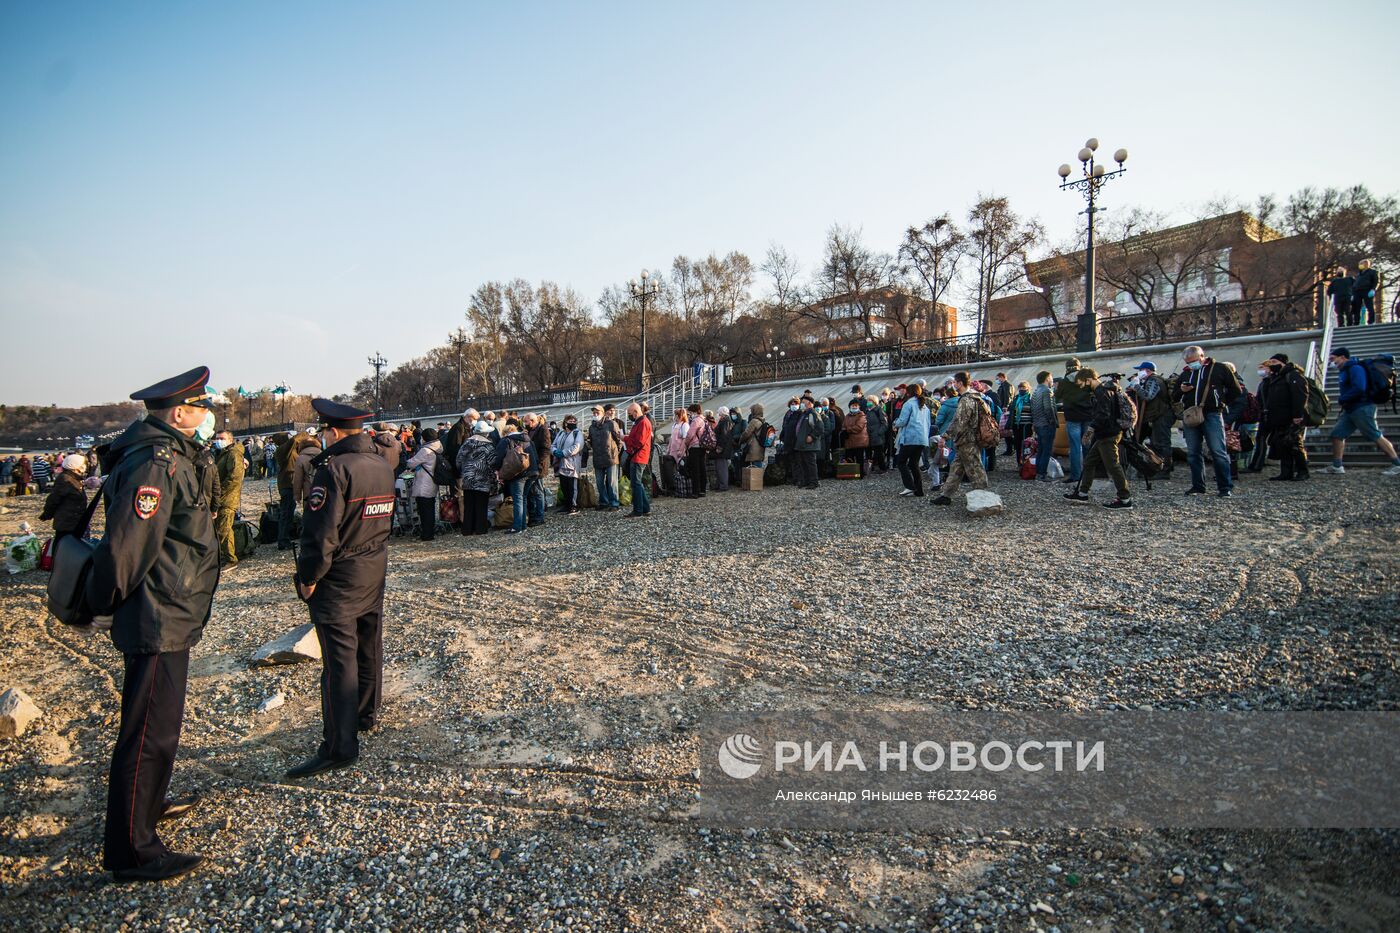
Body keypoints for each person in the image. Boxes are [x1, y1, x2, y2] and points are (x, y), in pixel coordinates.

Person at [86, 366, 220, 882]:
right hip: (157, 609)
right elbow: (126, 547)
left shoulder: (168, 455)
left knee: (160, 724)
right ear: (179, 412)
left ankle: (150, 805)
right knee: (148, 732)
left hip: (169, 607)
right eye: (202, 406)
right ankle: (132, 849)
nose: (208, 414)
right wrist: (102, 603)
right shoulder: (156, 464)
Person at [289, 399, 395, 780]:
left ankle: (339, 744)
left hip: (340, 575)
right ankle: (366, 714)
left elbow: (321, 535)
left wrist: (308, 577)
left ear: (332, 432)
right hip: (373, 566)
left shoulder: (334, 470)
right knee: (369, 644)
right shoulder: (381, 464)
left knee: (339, 661)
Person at [1174, 345, 1241, 497]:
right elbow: (1174, 396)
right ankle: (1198, 486)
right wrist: (1181, 391)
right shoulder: (1186, 374)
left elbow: (1236, 390)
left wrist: (1219, 403)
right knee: (1193, 453)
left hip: (1212, 414)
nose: (1191, 364)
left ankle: (1225, 487)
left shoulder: (1219, 369)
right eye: (1188, 362)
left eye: (1193, 361)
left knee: (1218, 451)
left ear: (1202, 356)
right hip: (1191, 415)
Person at [1063, 369, 1134, 509]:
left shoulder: (1101, 392)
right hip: (1104, 434)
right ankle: (1082, 493)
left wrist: (1090, 430)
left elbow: (1104, 415)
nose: (1082, 387)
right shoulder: (1104, 390)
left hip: (1108, 434)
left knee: (1113, 465)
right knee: (1089, 462)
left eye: (1082, 383)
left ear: (1088, 379)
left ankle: (1125, 499)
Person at [1325, 346, 1400, 475]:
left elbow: (1360, 388)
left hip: (1362, 407)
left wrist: (1343, 398)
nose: (1332, 362)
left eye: (1333, 358)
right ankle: (1337, 466)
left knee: (1374, 434)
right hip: (1351, 408)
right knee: (1337, 434)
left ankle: (1397, 464)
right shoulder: (1346, 370)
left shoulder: (1355, 368)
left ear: (1342, 357)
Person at [933, 373, 991, 506]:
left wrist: (945, 436)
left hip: (967, 439)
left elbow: (959, 421)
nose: (954, 385)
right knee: (956, 468)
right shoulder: (976, 397)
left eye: (955, 382)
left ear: (959, 383)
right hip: (967, 438)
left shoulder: (966, 399)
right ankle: (946, 495)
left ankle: (983, 496)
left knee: (975, 468)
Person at [1257, 355, 1309, 481]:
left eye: (1274, 361)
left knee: (1295, 444)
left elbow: (1300, 395)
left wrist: (1298, 415)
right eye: (1270, 362)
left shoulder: (1292, 375)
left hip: (1290, 417)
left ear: (1283, 363)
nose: (1272, 364)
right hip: (1278, 418)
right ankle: (1286, 472)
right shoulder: (1276, 378)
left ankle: (1302, 471)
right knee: (1283, 445)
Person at [494, 419, 545, 532]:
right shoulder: (528, 439)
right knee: (523, 498)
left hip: (518, 473)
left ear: (505, 432)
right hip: (532, 472)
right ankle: (523, 525)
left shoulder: (506, 440)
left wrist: (497, 470)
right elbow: (535, 456)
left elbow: (498, 458)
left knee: (518, 499)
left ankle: (517, 527)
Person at [1132, 362, 1174, 478]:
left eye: (1140, 370)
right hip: (1158, 415)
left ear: (1147, 370)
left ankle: (1164, 469)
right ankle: (1159, 467)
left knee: (1162, 443)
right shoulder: (1152, 380)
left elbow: (1148, 396)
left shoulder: (1154, 380)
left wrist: (1136, 386)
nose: (1138, 373)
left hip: (1162, 415)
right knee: (1157, 442)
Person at [456, 420, 497, 534]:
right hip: (482, 479)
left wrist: (464, 471)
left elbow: (458, 460)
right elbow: (493, 463)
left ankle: (467, 529)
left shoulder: (466, 444)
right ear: (486, 433)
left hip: (468, 478)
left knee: (469, 504)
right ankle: (480, 528)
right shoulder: (488, 447)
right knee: (481, 505)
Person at [1055, 358, 1092, 484]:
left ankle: (1076, 475)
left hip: (1072, 417)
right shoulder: (1086, 378)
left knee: (1075, 447)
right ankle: (1088, 474)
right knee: (1087, 446)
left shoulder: (1065, 381)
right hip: (1087, 416)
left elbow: (1058, 396)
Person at [211, 431, 246, 566]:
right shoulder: (223, 454)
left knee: (223, 529)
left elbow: (234, 478)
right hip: (222, 497)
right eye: (217, 438)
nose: (218, 441)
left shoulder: (233, 454)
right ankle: (224, 556)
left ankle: (230, 559)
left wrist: (219, 493)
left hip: (228, 498)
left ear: (230, 440)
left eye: (222, 438)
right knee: (222, 528)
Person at [41, 453, 89, 545]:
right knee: (65, 546)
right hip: (67, 523)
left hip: (74, 521)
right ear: (75, 466)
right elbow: (53, 500)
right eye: (82, 464)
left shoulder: (74, 478)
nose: (84, 466)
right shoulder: (65, 479)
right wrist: (47, 514)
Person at [893, 384, 932, 497]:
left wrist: (895, 423)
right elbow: (928, 423)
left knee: (901, 462)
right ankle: (919, 490)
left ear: (908, 393)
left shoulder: (908, 404)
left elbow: (903, 421)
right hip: (922, 438)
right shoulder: (925, 406)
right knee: (913, 464)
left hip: (910, 437)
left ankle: (909, 486)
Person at [406, 428, 443, 540]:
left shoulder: (426, 450)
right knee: (430, 508)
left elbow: (411, 463)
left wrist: (407, 461)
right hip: (432, 481)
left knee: (424, 510)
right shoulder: (438, 447)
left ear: (425, 438)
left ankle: (427, 534)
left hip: (424, 483)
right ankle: (429, 532)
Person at [586, 405, 623, 510]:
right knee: (599, 482)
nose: (595, 413)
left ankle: (614, 503)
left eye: (597, 411)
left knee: (612, 483)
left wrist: (615, 452)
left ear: (603, 412)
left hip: (611, 457)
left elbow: (619, 440)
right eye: (593, 412)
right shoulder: (591, 427)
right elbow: (590, 441)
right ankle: (604, 502)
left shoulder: (611, 424)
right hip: (598, 458)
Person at [623, 403, 653, 517]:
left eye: (630, 414)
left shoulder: (643, 423)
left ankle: (638, 509)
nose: (629, 416)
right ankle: (645, 508)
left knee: (636, 484)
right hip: (639, 456)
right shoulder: (640, 422)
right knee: (637, 483)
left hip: (639, 456)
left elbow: (639, 442)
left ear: (636, 412)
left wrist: (625, 438)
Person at [552, 415, 584, 516]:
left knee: (572, 485)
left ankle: (573, 506)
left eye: (574, 421)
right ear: (565, 422)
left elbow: (577, 446)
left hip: (572, 462)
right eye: (570, 421)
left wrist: (564, 453)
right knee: (564, 484)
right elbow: (553, 445)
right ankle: (566, 504)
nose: (572, 422)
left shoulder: (577, 433)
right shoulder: (561, 433)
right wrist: (555, 451)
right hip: (561, 463)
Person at [1030, 370, 1058, 482]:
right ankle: (1042, 474)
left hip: (1038, 424)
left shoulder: (1036, 391)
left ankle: (1038, 472)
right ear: (1047, 379)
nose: (1052, 380)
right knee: (1046, 450)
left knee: (1040, 449)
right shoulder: (1047, 391)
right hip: (1046, 424)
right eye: (1051, 377)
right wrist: (1053, 422)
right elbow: (1048, 408)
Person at [792, 397, 823, 489]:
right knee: (803, 463)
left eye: (803, 402)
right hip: (802, 444)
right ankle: (805, 481)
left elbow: (820, 428)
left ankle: (814, 482)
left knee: (810, 463)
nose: (801, 404)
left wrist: (812, 436)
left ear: (809, 403)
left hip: (810, 444)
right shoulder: (804, 414)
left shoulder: (813, 413)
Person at [683, 403, 710, 498]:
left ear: (693, 411)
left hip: (695, 446)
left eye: (690, 412)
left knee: (695, 470)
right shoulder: (704, 419)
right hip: (703, 446)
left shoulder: (696, 420)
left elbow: (690, 434)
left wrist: (685, 443)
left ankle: (695, 491)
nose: (689, 414)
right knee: (702, 468)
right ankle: (703, 490)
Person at [1008, 381, 1033, 465]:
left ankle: (1027, 462)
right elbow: (1012, 412)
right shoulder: (1016, 399)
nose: (1022, 390)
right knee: (1018, 444)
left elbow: (1033, 412)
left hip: (1027, 425)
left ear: (1028, 388)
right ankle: (1019, 462)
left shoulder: (1030, 399)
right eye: (1020, 388)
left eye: (1024, 388)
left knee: (1027, 444)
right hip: (1017, 425)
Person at [841, 399, 869, 477]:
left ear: (859, 407)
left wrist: (847, 430)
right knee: (849, 458)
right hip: (849, 441)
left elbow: (859, 427)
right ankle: (851, 473)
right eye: (852, 406)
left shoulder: (861, 415)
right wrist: (844, 430)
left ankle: (860, 473)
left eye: (856, 406)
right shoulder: (847, 416)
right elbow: (843, 425)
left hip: (859, 441)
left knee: (859, 458)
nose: (854, 407)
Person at [863, 396, 888, 473]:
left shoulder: (879, 410)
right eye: (868, 401)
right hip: (869, 435)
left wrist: (879, 432)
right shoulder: (867, 411)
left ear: (874, 402)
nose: (868, 402)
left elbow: (885, 423)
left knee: (879, 453)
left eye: (870, 401)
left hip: (877, 436)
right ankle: (870, 468)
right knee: (869, 453)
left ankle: (882, 468)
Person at [712, 406, 735, 491]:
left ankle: (723, 485)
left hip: (723, 448)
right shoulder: (726, 421)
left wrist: (720, 447)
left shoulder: (725, 421)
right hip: (724, 448)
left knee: (721, 468)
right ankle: (720, 484)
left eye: (719, 413)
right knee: (720, 467)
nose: (718, 414)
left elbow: (724, 436)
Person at [1354, 260, 1380, 326]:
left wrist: (1373, 289)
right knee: (1357, 307)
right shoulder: (1359, 274)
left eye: (1361, 264)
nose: (1360, 265)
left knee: (1369, 306)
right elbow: (1355, 284)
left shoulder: (1372, 272)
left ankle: (1371, 321)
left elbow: (1376, 281)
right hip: (1358, 292)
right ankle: (1356, 322)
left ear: (1366, 264)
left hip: (1367, 291)